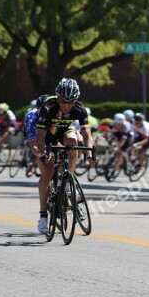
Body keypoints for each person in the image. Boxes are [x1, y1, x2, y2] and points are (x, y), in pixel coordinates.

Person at [35, 78, 93, 233]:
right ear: (57, 97)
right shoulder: (47, 107)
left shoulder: (80, 109)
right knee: (48, 171)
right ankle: (43, 216)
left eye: (70, 102)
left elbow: (87, 134)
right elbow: (39, 137)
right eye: (63, 101)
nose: (66, 106)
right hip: (47, 136)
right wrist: (43, 153)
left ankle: (69, 179)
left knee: (73, 141)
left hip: (65, 132)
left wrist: (90, 154)